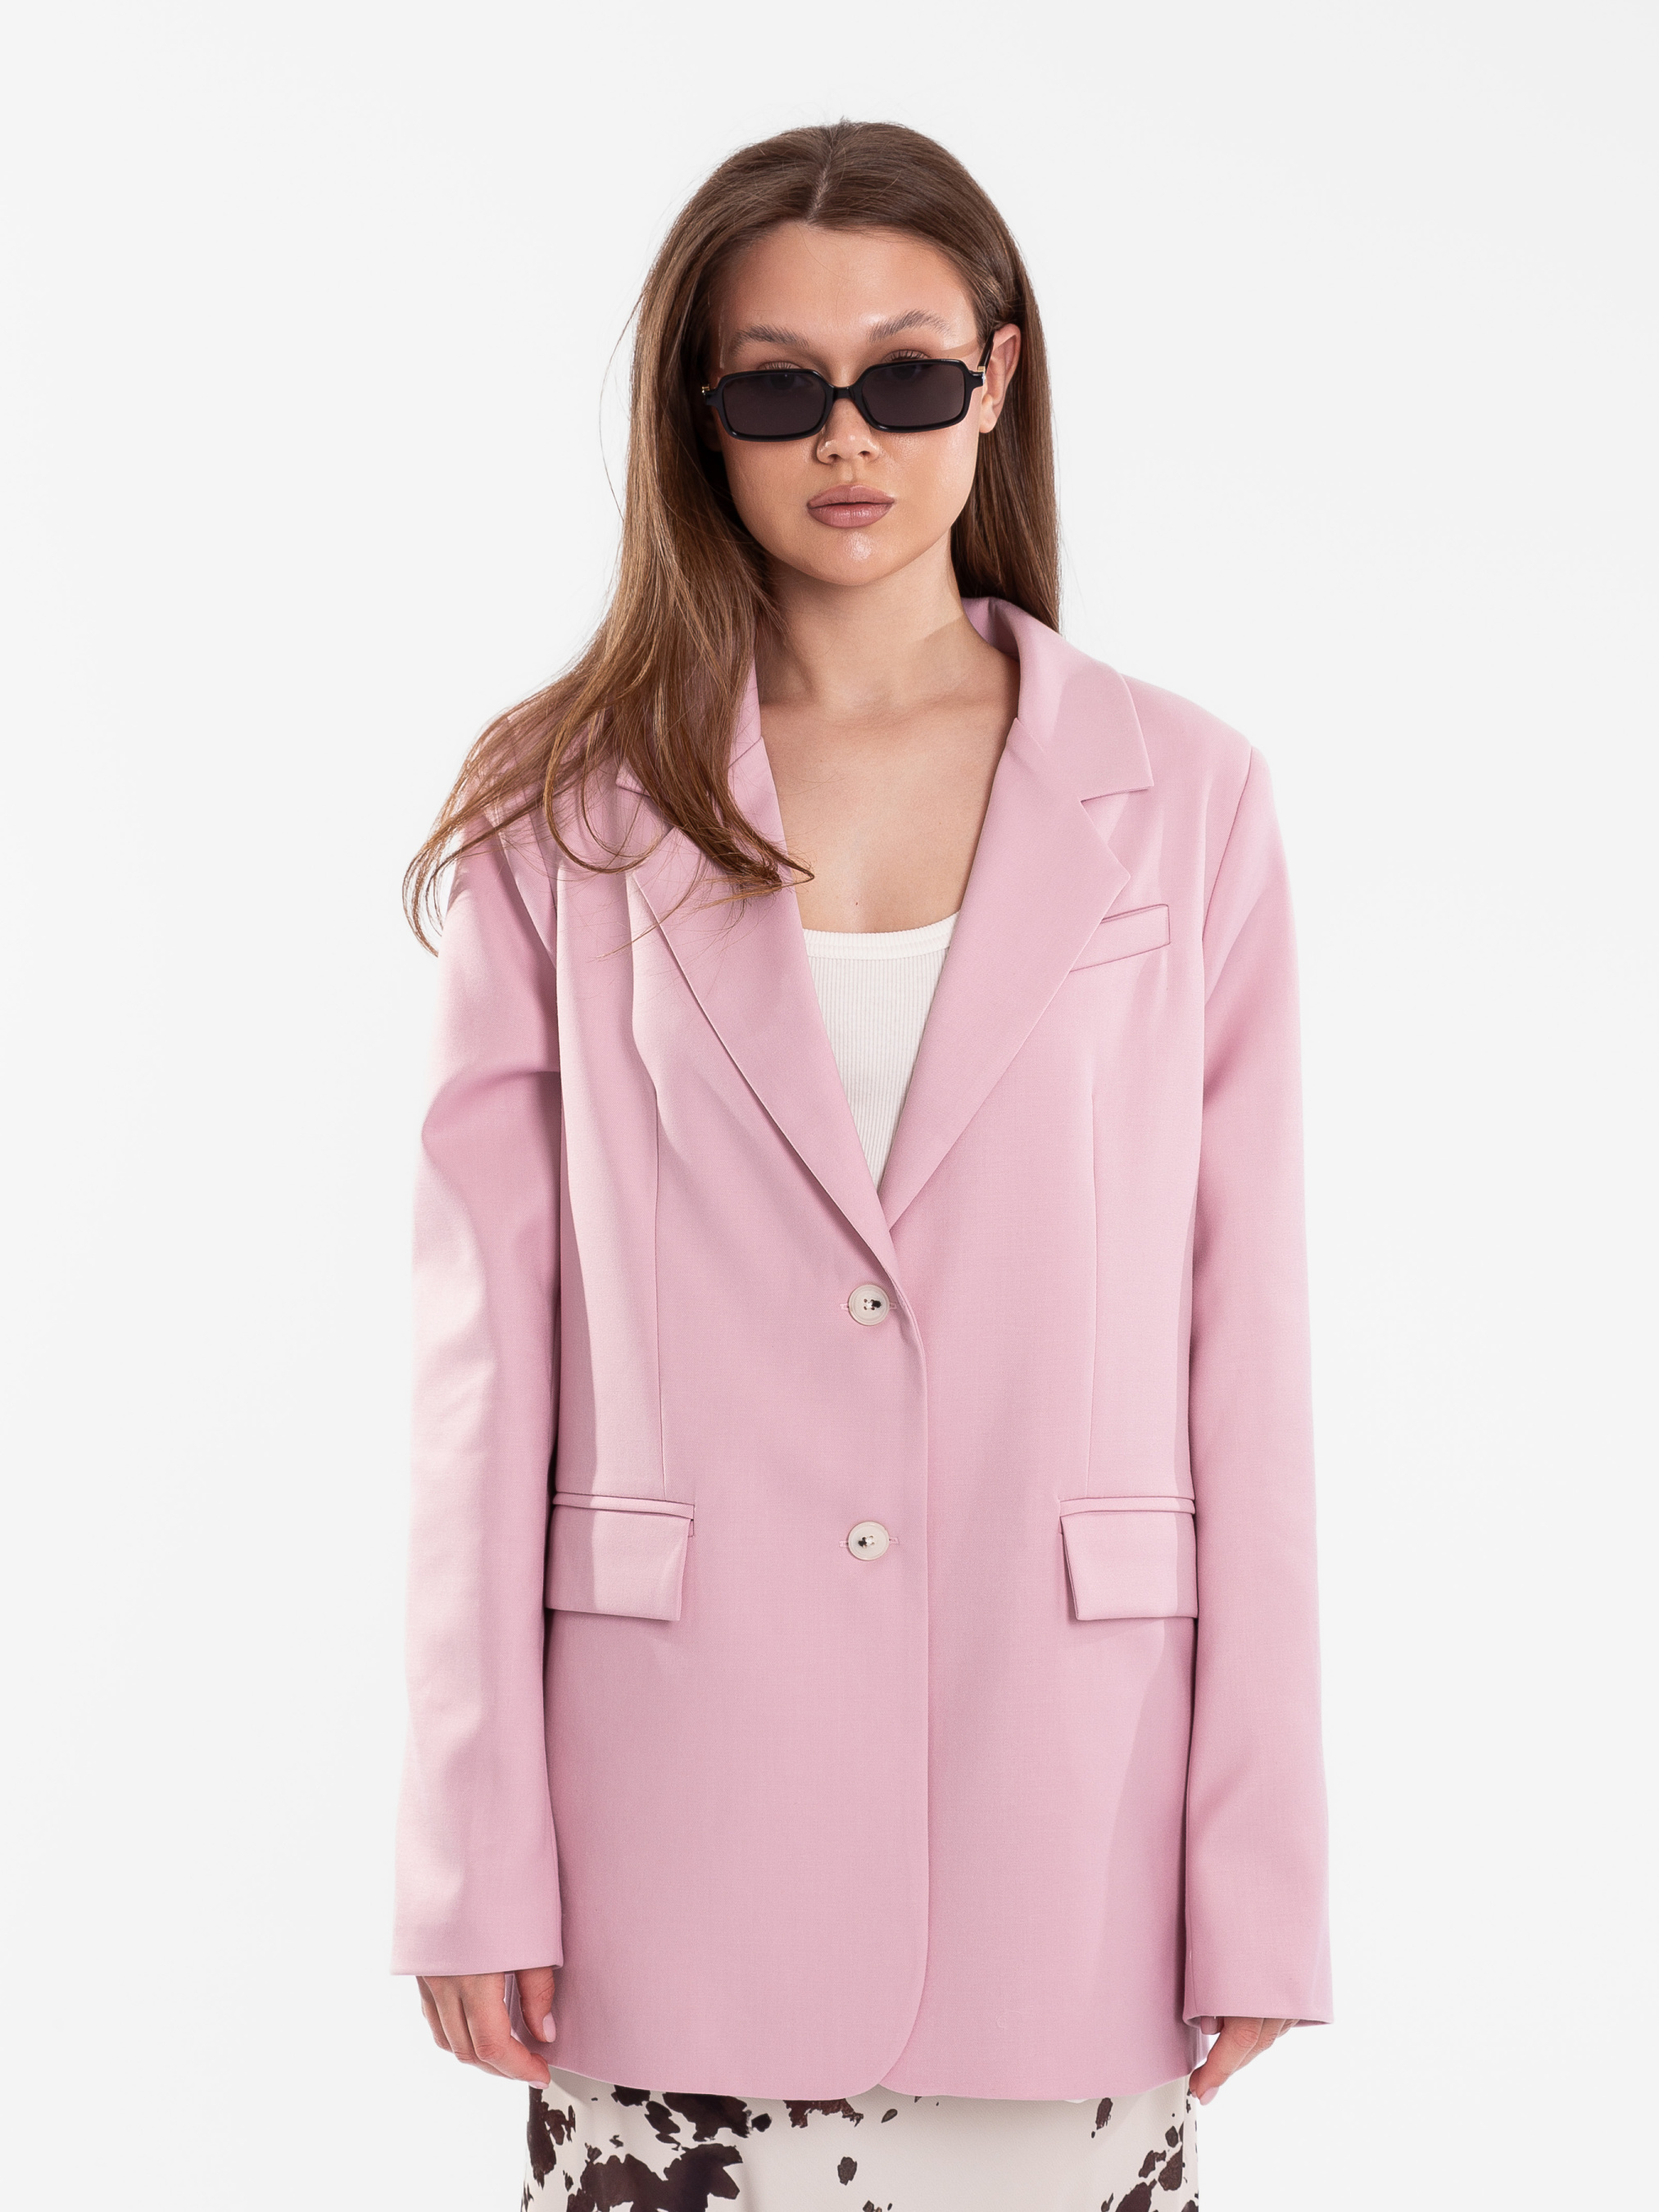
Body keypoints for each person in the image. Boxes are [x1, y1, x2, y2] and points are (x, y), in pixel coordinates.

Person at [392, 118, 1331, 2212]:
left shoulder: (1183, 799)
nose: (848, 438)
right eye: (774, 389)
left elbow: (1242, 1344)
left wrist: (1259, 1876)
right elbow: (483, 1363)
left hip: (1065, 1811)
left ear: (995, 383)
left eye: (905, 377)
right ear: (695, 415)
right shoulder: (565, 804)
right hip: (668, 1817)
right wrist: (470, 1849)